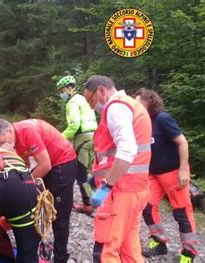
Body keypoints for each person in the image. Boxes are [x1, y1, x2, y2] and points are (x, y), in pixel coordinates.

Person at [0, 119, 77, 263]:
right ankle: (32, 247)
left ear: (9, 131)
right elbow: (25, 164)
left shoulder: (27, 132)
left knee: (59, 214)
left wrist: (25, 184)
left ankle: (61, 257)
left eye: (2, 141)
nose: (2, 145)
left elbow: (45, 165)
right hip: (49, 163)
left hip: (62, 162)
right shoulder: (14, 138)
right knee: (34, 201)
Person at [83, 75, 152, 262]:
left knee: (107, 249)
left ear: (101, 91)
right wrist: (95, 175)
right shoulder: (132, 105)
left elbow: (127, 149)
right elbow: (113, 154)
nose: (92, 107)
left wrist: (106, 187)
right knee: (129, 249)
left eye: (91, 101)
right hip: (136, 189)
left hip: (120, 192)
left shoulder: (115, 108)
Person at [135, 88, 198, 262]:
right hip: (153, 175)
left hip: (173, 172)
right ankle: (160, 242)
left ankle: (188, 253)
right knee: (146, 207)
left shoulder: (163, 119)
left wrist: (184, 169)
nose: (136, 105)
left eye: (139, 101)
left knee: (181, 213)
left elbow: (182, 142)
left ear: (149, 101)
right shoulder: (143, 122)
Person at [56, 75, 97, 215]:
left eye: (61, 90)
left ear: (69, 88)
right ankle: (96, 200)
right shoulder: (83, 99)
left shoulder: (72, 102)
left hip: (82, 139)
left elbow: (74, 125)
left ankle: (89, 205)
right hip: (93, 137)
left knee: (81, 174)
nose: (61, 94)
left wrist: (59, 137)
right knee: (90, 171)